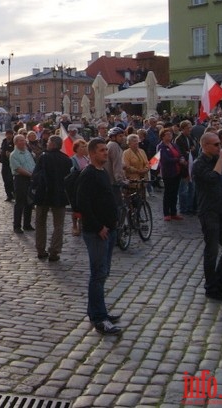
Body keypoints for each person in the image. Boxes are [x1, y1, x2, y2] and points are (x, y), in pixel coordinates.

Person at [77, 138, 122, 335]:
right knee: (98, 274)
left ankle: (98, 310)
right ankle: (99, 318)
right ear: (93, 153)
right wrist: (98, 227)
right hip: (97, 233)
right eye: (102, 150)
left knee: (103, 273)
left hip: (109, 229)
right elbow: (82, 204)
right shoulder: (88, 174)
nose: (106, 153)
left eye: (106, 150)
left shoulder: (102, 172)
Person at [192, 132, 222, 300]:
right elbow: (212, 179)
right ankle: (211, 287)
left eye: (220, 144)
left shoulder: (220, 162)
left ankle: (220, 281)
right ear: (205, 146)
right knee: (211, 250)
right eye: (216, 145)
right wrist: (220, 160)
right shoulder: (199, 164)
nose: (220, 147)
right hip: (209, 210)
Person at [33, 135, 72, 262]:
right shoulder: (66, 159)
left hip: (43, 194)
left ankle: (40, 249)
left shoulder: (44, 157)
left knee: (40, 222)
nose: (47, 143)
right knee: (58, 225)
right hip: (59, 194)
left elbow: (36, 175)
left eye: (48, 141)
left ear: (53, 144)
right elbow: (68, 178)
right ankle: (54, 251)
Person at [157, 127, 185, 222]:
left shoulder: (174, 145)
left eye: (171, 134)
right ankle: (166, 213)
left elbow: (179, 153)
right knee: (168, 193)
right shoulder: (161, 146)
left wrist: (181, 159)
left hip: (177, 171)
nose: (170, 136)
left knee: (174, 193)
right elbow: (165, 159)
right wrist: (178, 160)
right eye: (167, 135)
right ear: (162, 136)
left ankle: (173, 212)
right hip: (168, 172)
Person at [9, 134, 35, 233]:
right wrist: (30, 175)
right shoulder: (14, 155)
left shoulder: (27, 152)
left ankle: (27, 224)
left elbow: (32, 163)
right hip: (21, 179)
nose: (23, 142)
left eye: (24, 140)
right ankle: (17, 226)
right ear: (15, 143)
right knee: (19, 203)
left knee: (29, 202)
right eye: (20, 140)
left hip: (30, 178)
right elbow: (18, 169)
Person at [69, 139, 89, 236]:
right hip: (76, 185)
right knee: (76, 206)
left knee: (84, 206)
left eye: (85, 147)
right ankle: (74, 225)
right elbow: (72, 172)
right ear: (76, 148)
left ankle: (82, 224)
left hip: (85, 184)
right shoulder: (73, 159)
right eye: (82, 147)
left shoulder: (86, 158)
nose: (84, 148)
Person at [0, 130, 15, 202]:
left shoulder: (14, 142)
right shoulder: (4, 141)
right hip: (4, 163)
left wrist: (10, 154)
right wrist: (1, 150)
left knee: (10, 180)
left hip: (11, 164)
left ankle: (14, 194)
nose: (9, 136)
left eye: (10, 134)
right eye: (7, 134)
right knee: (5, 180)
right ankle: (9, 195)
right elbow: (2, 148)